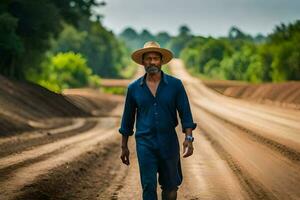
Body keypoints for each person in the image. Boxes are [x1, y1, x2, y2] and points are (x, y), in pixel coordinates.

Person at [119, 41, 197, 200]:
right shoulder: (133, 88)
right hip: (145, 144)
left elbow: (186, 115)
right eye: (148, 58)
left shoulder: (175, 85)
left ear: (161, 61)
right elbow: (127, 120)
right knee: (148, 186)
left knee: (170, 187)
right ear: (143, 62)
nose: (152, 62)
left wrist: (189, 139)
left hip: (168, 142)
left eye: (156, 58)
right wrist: (124, 146)